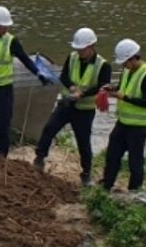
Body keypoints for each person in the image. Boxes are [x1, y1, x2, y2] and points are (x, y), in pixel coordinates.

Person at [33, 27, 112, 185]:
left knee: (83, 142)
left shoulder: (103, 65)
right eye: (78, 49)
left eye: (82, 49)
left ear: (91, 47)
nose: (79, 52)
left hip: (84, 110)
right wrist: (71, 88)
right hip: (67, 105)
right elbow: (64, 76)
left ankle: (86, 173)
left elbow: (102, 86)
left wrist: (82, 94)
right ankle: (39, 158)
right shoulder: (73, 58)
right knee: (49, 128)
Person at [0, 5, 50, 156]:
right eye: (3, 27)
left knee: (2, 126)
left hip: (3, 90)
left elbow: (25, 59)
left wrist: (39, 74)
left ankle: (2, 158)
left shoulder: (10, 41)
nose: (6, 29)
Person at [101, 38, 146, 192]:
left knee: (135, 161)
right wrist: (112, 89)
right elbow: (123, 88)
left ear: (134, 58)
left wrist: (123, 97)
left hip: (139, 127)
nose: (123, 65)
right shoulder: (127, 71)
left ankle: (134, 191)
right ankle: (106, 185)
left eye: (125, 62)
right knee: (112, 155)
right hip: (123, 122)